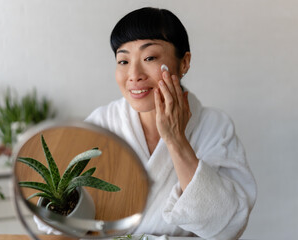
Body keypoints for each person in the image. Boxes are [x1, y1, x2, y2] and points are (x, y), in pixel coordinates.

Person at [86, 7, 256, 240]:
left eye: (149, 58)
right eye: (123, 60)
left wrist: (176, 140)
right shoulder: (101, 124)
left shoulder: (215, 127)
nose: (133, 74)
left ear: (184, 63)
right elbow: (59, 213)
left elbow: (227, 227)